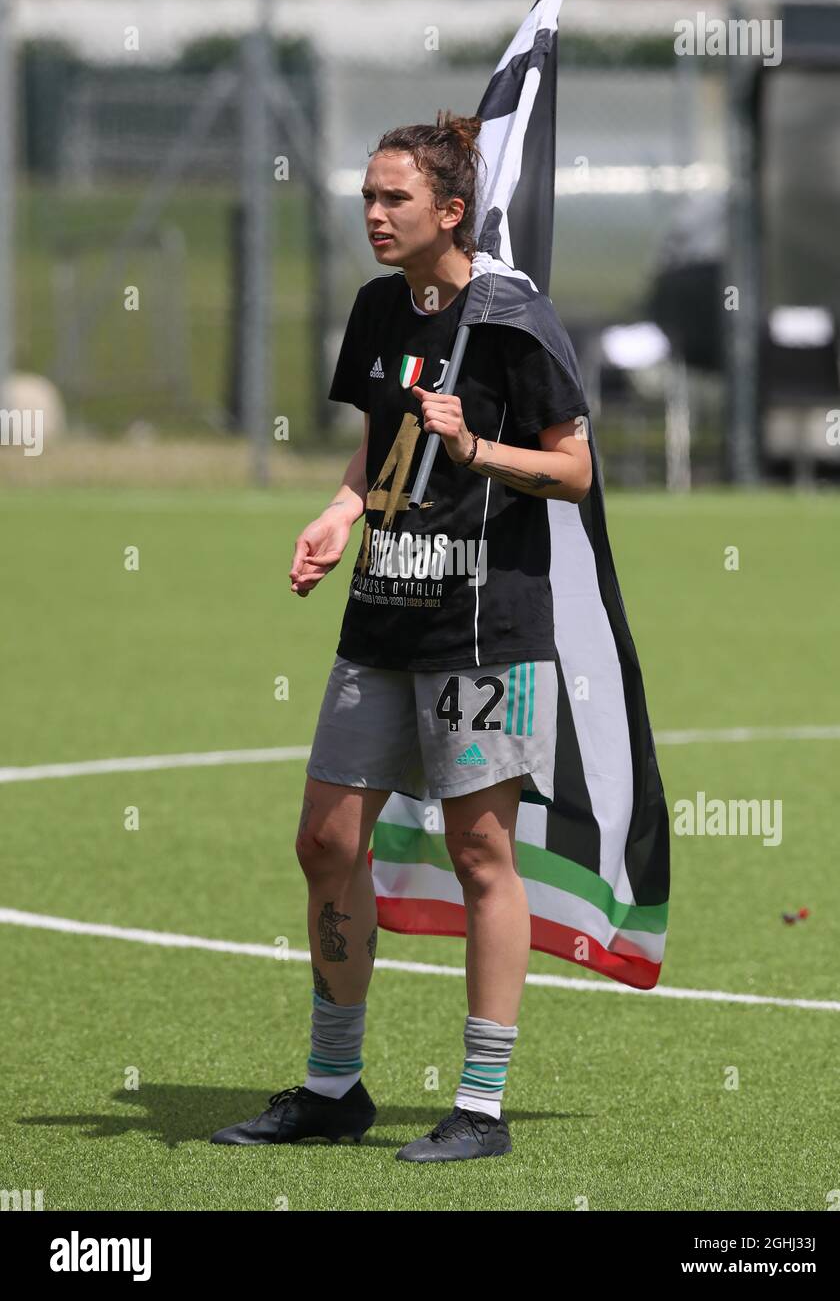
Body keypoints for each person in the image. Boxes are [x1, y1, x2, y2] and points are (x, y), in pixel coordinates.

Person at [211, 110, 592, 1163]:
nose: (373, 215)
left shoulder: (512, 317)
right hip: (377, 615)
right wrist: (339, 514)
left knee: (480, 853)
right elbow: (371, 446)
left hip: (484, 629)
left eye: (394, 200)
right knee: (325, 841)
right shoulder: (381, 307)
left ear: (451, 211)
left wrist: (479, 445)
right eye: (367, 198)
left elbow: (574, 468)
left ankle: (479, 1104)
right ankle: (334, 1085)